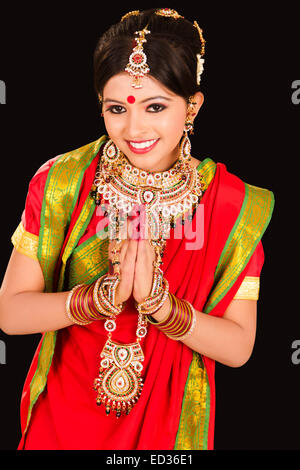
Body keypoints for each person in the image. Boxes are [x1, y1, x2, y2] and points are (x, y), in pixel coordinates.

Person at [0, 8, 274, 450]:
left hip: (168, 422)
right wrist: (98, 297)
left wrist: (160, 304)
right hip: (64, 417)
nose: (134, 128)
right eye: (116, 108)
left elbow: (239, 346)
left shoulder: (232, 205)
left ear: (193, 106)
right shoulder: (64, 183)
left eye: (156, 106)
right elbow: (11, 314)